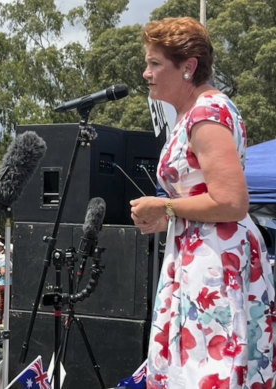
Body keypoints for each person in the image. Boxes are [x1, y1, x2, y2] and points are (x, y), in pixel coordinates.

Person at [130, 17, 276, 388]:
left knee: (210, 370)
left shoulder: (207, 112)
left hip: (217, 261)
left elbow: (231, 202)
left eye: (155, 63)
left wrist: (164, 207)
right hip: (199, 255)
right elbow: (204, 195)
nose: (146, 72)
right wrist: (169, 218)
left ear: (188, 67)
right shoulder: (189, 114)